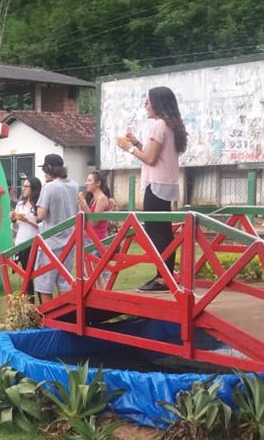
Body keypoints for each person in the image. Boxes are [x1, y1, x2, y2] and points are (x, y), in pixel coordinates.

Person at [118, 85, 188, 292]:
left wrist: (128, 148)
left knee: (156, 234)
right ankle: (164, 277)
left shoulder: (159, 125)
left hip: (156, 185)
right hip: (166, 184)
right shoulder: (170, 125)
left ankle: (163, 278)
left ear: (158, 103)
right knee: (163, 232)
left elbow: (149, 158)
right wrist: (138, 143)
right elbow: (153, 154)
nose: (145, 105)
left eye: (148, 101)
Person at [33, 153, 79, 303]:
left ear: (50, 168)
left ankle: (48, 317)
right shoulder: (74, 185)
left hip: (50, 242)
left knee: (44, 282)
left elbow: (41, 214)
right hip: (69, 239)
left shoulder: (50, 187)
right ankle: (65, 316)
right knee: (64, 281)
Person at [10, 176, 41, 297]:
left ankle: (43, 305)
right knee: (26, 278)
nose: (23, 189)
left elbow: (42, 227)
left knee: (37, 276)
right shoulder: (20, 205)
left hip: (35, 244)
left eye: (27, 186)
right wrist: (13, 220)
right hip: (21, 243)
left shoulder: (39, 206)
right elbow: (16, 228)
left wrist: (27, 220)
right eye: (23, 186)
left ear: (34, 188)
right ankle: (30, 307)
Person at [79, 171, 114, 245]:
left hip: (96, 240)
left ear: (98, 183)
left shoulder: (102, 199)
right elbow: (85, 217)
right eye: (87, 180)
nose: (86, 183)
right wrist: (82, 203)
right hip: (89, 238)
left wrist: (84, 204)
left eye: (89, 180)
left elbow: (94, 222)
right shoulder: (93, 199)